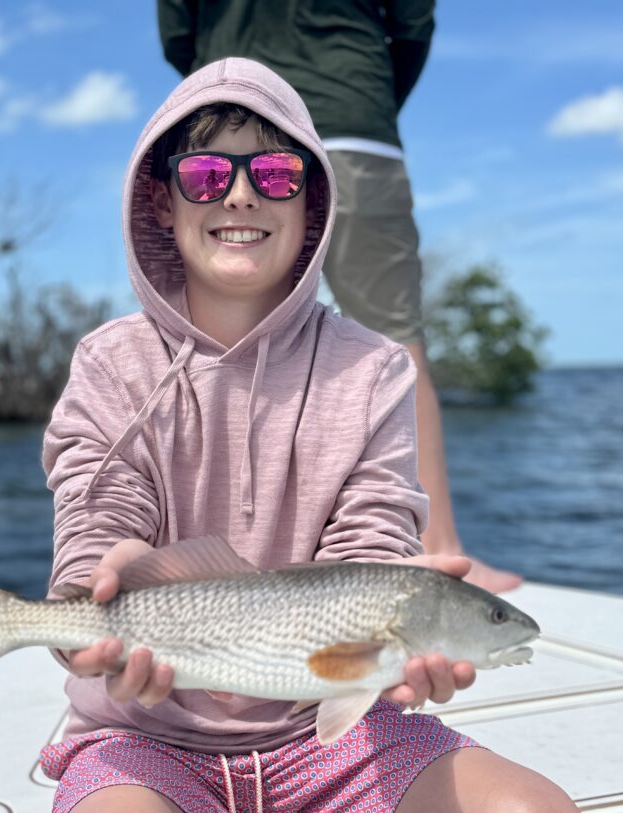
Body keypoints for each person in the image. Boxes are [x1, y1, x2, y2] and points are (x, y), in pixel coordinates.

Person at [36, 59, 598, 813]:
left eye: (275, 173)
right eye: (206, 174)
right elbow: (100, 514)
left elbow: (373, 535)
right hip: (146, 736)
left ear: (313, 204)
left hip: (334, 738)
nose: (240, 195)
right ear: (161, 202)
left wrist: (394, 649)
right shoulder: (109, 361)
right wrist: (98, 585)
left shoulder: (374, 369)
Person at [157, 0, 523, 594]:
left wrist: (235, 107)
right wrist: (363, 96)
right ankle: (438, 549)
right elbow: (413, 23)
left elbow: (178, 33)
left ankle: (216, 558)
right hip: (355, 118)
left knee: (225, 331)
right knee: (396, 335)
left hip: (228, 137)